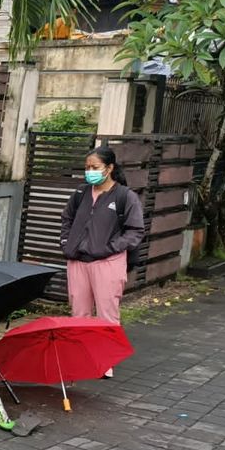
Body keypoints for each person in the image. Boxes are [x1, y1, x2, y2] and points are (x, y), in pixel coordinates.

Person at [60, 145, 145, 377]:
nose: (89, 172)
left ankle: (105, 361)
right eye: (87, 167)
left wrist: (110, 248)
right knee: (79, 313)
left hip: (108, 262)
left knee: (107, 313)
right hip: (77, 260)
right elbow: (67, 219)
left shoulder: (125, 196)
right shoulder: (80, 193)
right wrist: (67, 243)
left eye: (94, 167)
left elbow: (135, 230)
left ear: (109, 168)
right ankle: (82, 358)